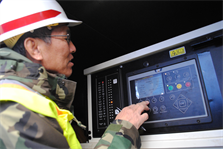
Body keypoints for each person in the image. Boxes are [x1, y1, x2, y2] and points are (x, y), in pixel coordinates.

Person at [0, 0, 150, 149]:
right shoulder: (13, 111)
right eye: (66, 38)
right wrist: (123, 131)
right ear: (34, 48)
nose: (73, 48)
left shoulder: (22, 100)